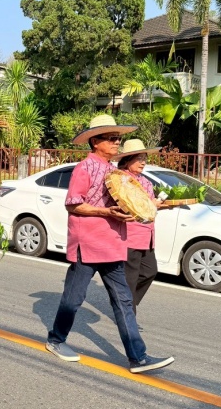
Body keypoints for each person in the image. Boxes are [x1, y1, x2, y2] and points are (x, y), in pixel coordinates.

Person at [45, 114, 175, 374]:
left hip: (114, 243)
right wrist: (106, 212)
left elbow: (129, 202)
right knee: (74, 298)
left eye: (118, 138)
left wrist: (138, 209)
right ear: (95, 141)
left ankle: (138, 357)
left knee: (124, 300)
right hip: (88, 243)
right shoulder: (84, 168)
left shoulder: (116, 173)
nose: (117, 142)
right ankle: (56, 339)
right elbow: (72, 204)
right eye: (112, 138)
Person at [115, 139, 163, 319]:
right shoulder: (122, 180)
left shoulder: (146, 182)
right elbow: (131, 205)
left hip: (147, 235)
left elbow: (149, 207)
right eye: (139, 158)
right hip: (131, 234)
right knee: (131, 277)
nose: (143, 162)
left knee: (150, 271)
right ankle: (128, 316)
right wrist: (152, 204)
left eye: (145, 158)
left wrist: (159, 205)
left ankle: (126, 302)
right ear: (128, 160)